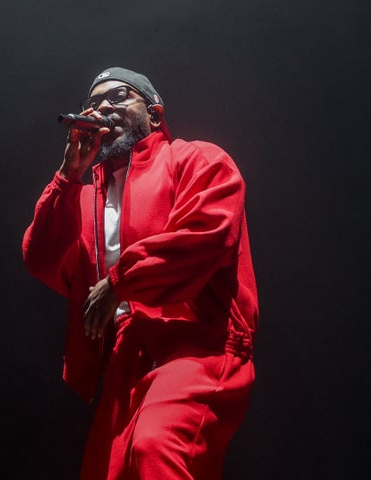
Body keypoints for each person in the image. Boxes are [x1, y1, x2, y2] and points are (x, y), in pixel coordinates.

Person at [22, 66, 259, 480]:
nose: (101, 108)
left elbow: (204, 235)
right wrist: (67, 176)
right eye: (93, 104)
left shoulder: (195, 158)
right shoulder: (84, 199)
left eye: (117, 97)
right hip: (126, 357)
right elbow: (41, 257)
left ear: (153, 113)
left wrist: (119, 282)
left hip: (198, 340)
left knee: (158, 446)